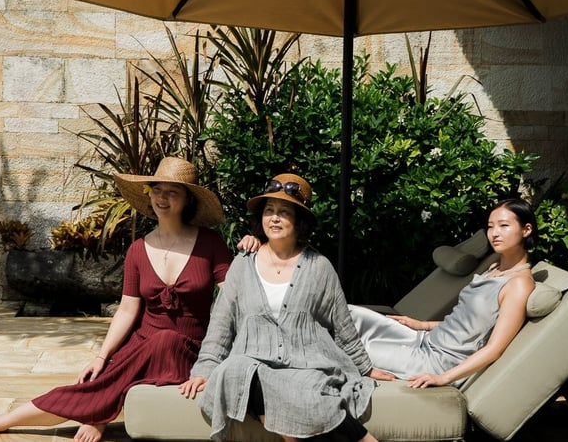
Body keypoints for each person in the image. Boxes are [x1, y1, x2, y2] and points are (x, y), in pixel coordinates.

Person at [0, 157, 233, 442]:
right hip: (142, 345)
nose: (162, 198)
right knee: (88, 384)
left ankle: (99, 413)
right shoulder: (138, 249)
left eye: (172, 192)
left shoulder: (211, 244)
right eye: (157, 190)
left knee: (165, 342)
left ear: (188, 199)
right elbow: (127, 310)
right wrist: (102, 356)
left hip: (189, 346)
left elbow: (233, 297)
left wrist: (253, 253)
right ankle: (2, 421)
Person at [179, 173, 390, 442]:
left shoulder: (319, 266)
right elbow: (221, 323)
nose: (275, 218)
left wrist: (365, 368)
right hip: (254, 363)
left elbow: (342, 323)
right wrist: (205, 368)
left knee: (306, 387)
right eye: (269, 211)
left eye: (284, 212)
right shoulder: (243, 264)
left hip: (307, 366)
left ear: (299, 221)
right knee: (237, 371)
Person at [349, 197, 537, 389]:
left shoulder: (518, 285)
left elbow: (494, 348)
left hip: (438, 361)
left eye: (504, 225)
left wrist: (443, 378)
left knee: (354, 349)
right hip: (424, 340)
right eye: (490, 226)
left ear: (526, 229)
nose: (494, 233)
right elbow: (467, 323)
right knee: (349, 315)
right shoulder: (494, 268)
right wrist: (423, 325)